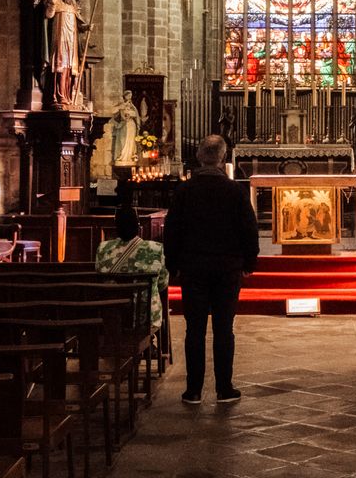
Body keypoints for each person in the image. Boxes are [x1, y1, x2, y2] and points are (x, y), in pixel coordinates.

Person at [163, 134, 259, 405]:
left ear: (199, 157)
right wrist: (249, 262)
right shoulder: (234, 191)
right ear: (223, 158)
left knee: (194, 329)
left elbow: (172, 231)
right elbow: (249, 229)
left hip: (193, 268)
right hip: (227, 268)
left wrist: (173, 264)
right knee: (223, 329)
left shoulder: (184, 191)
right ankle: (224, 388)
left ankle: (193, 390)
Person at [95, 206, 169, 331]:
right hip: (144, 318)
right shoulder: (156, 249)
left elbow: (99, 276)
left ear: (116, 226)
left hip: (112, 317)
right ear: (138, 225)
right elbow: (163, 283)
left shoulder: (104, 249)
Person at [44, 0, 89, 106]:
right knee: (60, 66)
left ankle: (68, 96)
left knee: (70, 68)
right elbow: (49, 16)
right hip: (60, 38)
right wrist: (51, 3)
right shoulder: (55, 0)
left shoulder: (73, 4)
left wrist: (88, 27)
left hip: (71, 40)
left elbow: (79, 23)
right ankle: (57, 95)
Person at [111, 90, 140, 166]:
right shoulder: (121, 105)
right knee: (123, 140)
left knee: (131, 141)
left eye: (131, 95)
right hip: (124, 125)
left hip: (131, 125)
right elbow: (113, 111)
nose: (130, 97)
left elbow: (136, 115)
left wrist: (131, 114)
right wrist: (122, 107)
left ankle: (130, 156)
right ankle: (122, 156)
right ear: (125, 96)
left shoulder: (132, 106)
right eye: (128, 95)